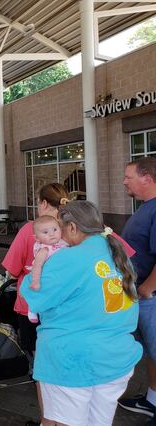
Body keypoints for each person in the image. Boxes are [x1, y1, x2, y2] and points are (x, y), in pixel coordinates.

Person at [20, 201, 141, 426]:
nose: (58, 235)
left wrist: (39, 262)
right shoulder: (116, 252)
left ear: (73, 228)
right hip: (115, 358)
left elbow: (33, 294)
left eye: (60, 229)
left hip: (73, 360)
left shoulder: (68, 258)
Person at [1, 183, 69, 426]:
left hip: (32, 307)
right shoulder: (71, 228)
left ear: (42, 203)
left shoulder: (30, 229)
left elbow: (10, 268)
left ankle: (47, 420)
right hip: (65, 309)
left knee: (42, 367)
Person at [119, 156, 156, 417]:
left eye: (128, 177)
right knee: (152, 352)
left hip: (149, 295)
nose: (124, 182)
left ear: (147, 178)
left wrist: (147, 288)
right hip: (140, 292)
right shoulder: (146, 207)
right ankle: (152, 399)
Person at [27, 215, 69, 323]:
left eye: (55, 229)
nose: (51, 234)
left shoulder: (63, 243)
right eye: (45, 232)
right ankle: (32, 309)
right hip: (43, 275)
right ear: (37, 238)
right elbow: (37, 266)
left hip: (59, 275)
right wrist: (35, 281)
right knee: (41, 293)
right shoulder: (45, 250)